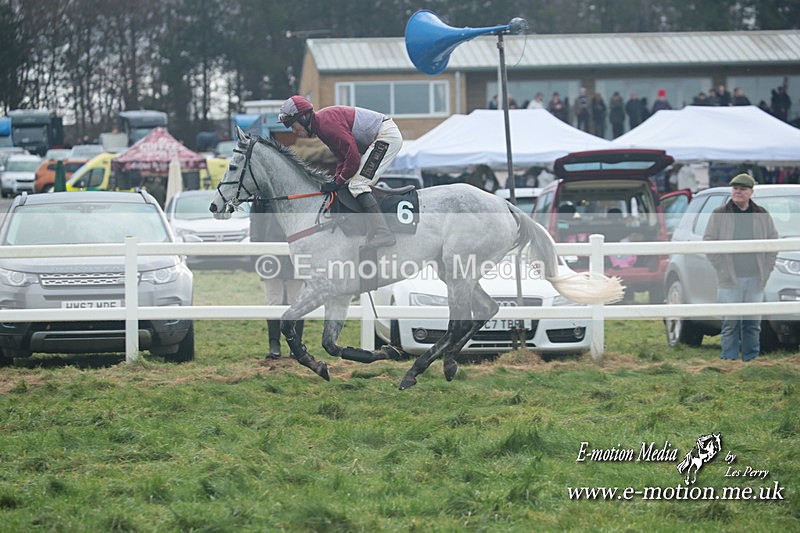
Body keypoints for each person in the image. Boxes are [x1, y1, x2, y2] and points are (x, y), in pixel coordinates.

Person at [278, 95, 402, 247]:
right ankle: (371, 229)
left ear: (303, 117)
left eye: (292, 125)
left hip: (386, 136)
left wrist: (339, 180)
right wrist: (336, 179)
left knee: (357, 185)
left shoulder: (326, 124)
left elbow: (353, 158)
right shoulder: (321, 126)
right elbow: (342, 157)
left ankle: (384, 232)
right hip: (380, 136)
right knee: (352, 184)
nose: (293, 131)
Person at [703, 173, 778, 361]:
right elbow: (709, 241)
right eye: (735, 188)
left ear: (751, 192)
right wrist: (721, 267)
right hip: (729, 278)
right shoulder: (719, 213)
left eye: (742, 189)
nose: (737, 192)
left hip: (756, 277)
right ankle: (728, 360)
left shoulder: (762, 214)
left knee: (753, 323)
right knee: (730, 322)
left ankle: (751, 359)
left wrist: (766, 270)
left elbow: (773, 243)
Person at [250, 197, 305, 359]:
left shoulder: (300, 193)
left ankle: (296, 344)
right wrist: (256, 253)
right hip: (269, 254)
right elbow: (256, 224)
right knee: (273, 299)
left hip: (297, 252)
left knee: (297, 301)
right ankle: (274, 344)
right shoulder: (262, 197)